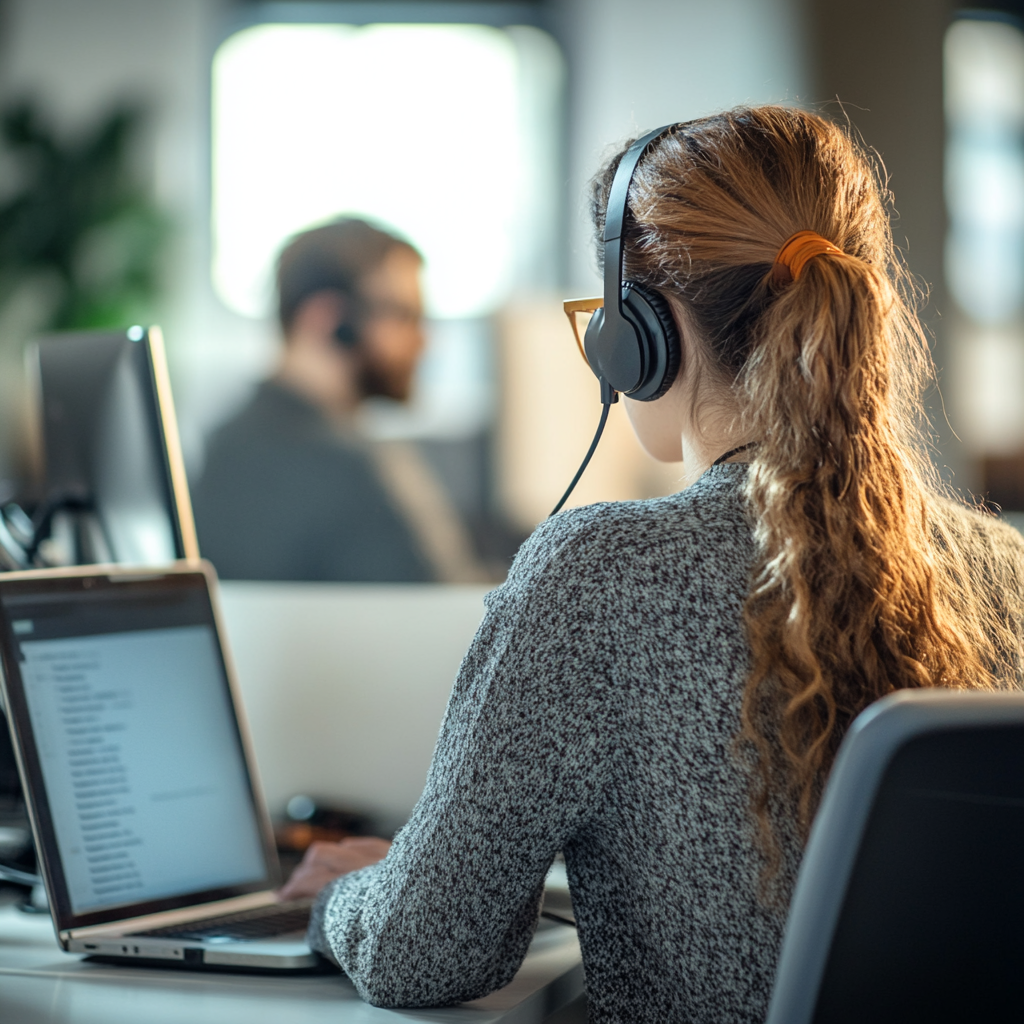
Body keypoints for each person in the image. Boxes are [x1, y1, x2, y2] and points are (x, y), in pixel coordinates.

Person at [279, 108, 1024, 1022]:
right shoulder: (1006, 571)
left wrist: (343, 897)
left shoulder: (597, 576)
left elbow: (423, 954)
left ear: (641, 334)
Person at [192, 218, 483, 582]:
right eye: (404, 316)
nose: (423, 342)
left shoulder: (222, 439)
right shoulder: (351, 467)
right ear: (327, 319)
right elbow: (450, 603)